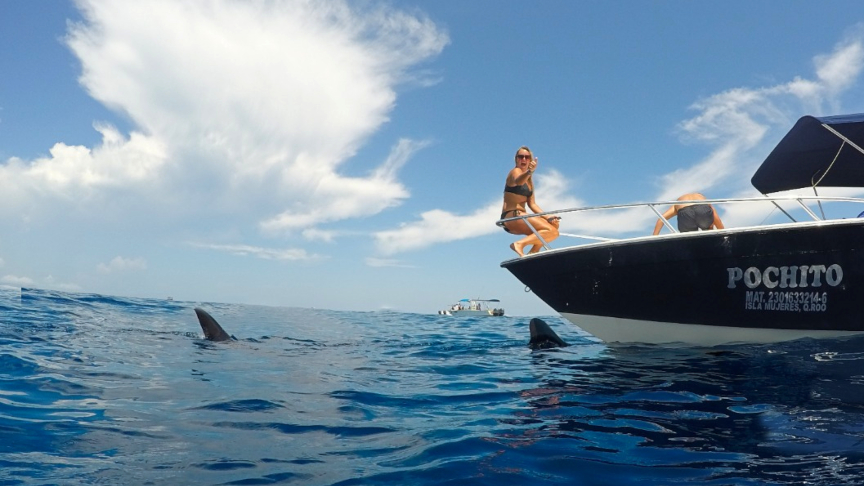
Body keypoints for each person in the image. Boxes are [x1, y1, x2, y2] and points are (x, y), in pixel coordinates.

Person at [500, 146, 560, 256]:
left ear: (530, 160)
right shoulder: (515, 172)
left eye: (527, 157)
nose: (523, 159)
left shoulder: (530, 182)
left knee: (554, 227)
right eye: (520, 157)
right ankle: (519, 244)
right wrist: (529, 172)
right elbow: (518, 181)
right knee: (551, 231)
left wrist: (548, 217)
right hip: (512, 216)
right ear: (516, 159)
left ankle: (533, 252)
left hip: (521, 217)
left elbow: (532, 204)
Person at [652, 193, 725, 235]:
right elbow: (716, 219)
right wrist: (724, 234)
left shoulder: (677, 203)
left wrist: (654, 239)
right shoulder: (702, 198)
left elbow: (661, 220)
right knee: (709, 226)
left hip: (684, 210)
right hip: (702, 207)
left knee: (688, 235)